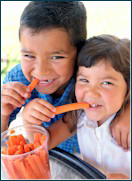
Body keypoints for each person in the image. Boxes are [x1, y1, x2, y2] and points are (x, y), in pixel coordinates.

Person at [1, 1, 130, 153]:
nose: (41, 70)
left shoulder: (90, 72)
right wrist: (3, 112)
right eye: (29, 55)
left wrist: (128, 110)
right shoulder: (18, 79)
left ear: (80, 51)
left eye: (56, 57)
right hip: (59, 158)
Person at [46, 35, 130, 179]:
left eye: (106, 83)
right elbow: (45, 143)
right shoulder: (78, 116)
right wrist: (30, 120)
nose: (91, 92)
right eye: (84, 80)